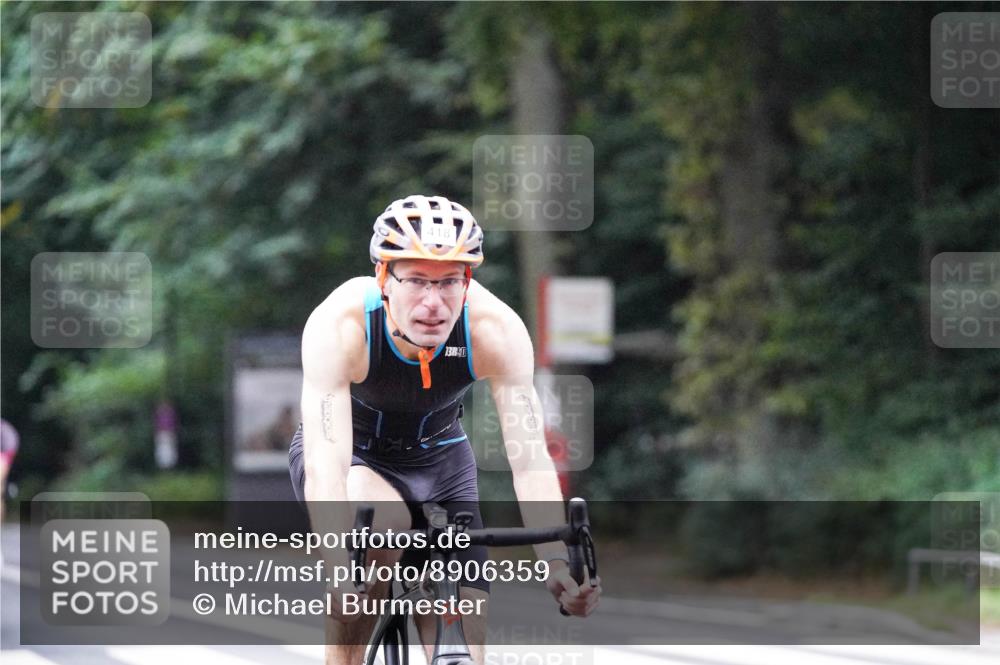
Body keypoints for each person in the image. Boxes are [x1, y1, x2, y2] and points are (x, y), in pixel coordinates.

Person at [288, 195, 601, 665]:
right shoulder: (342, 324)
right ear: (383, 279)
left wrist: (556, 561)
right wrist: (337, 564)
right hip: (354, 456)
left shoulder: (494, 328)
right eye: (416, 280)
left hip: (442, 466)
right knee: (381, 526)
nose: (433, 303)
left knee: (462, 648)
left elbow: (529, 457)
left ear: (467, 281)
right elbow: (325, 460)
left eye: (450, 282)